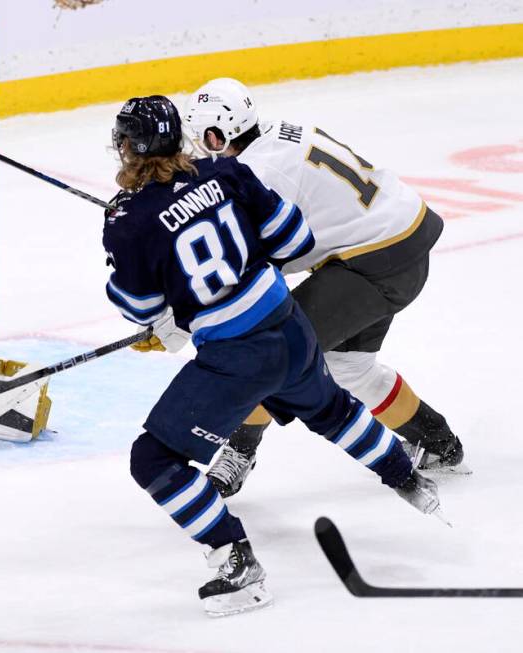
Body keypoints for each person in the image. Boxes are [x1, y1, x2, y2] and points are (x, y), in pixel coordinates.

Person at [105, 95, 442, 617]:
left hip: (236, 356)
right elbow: (292, 238)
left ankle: (238, 566)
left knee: (153, 460)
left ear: (128, 147)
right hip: (289, 328)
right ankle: (407, 477)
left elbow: (140, 305)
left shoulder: (127, 219)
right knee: (331, 409)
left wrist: (164, 281)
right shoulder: (226, 172)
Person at [181, 78, 466, 498]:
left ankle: (240, 450)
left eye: (199, 139)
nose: (196, 151)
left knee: (266, 350)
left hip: (374, 261)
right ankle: (438, 443)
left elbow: (258, 267)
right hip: (397, 238)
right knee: (350, 368)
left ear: (216, 136)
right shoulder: (276, 134)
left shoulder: (261, 176)